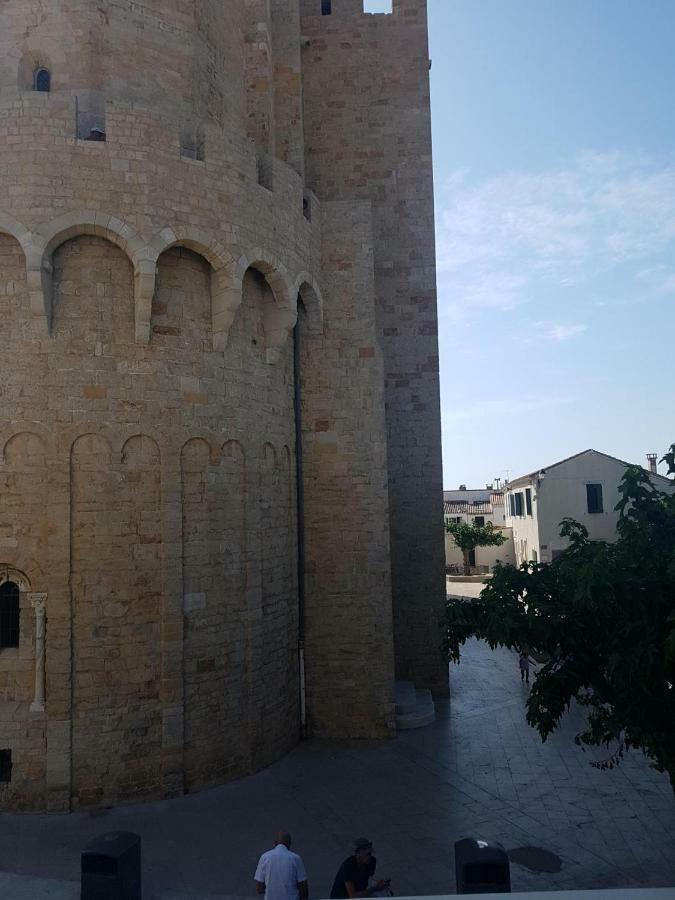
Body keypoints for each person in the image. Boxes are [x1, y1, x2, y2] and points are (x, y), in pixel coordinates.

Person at [254, 830, 309, 900]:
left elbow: (259, 889)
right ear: (289, 844)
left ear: (275, 843)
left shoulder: (265, 857)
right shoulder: (295, 858)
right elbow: (303, 888)